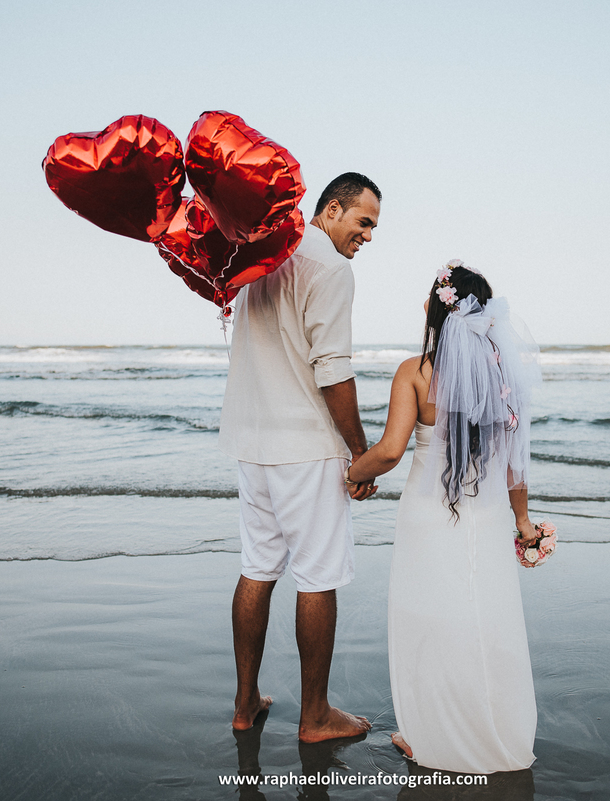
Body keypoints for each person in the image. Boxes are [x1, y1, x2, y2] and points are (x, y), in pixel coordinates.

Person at [346, 261, 542, 773]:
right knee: (486, 620)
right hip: (489, 516)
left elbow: (389, 451)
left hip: (430, 514)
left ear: (439, 309)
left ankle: (428, 735)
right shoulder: (502, 374)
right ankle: (498, 734)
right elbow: (514, 466)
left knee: (428, 619)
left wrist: (352, 473)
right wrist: (524, 524)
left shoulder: (417, 371)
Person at [219, 172, 382, 742]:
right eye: (363, 222)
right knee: (317, 576)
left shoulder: (262, 258)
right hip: (305, 449)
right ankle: (314, 717)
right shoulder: (331, 269)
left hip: (253, 442)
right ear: (331, 210)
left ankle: (245, 704)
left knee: (257, 567)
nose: (367, 236)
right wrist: (359, 451)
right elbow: (332, 367)